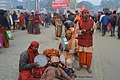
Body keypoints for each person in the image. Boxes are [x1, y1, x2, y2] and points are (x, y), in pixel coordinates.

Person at [77, 9, 96, 73]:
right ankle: (80, 65)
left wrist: (92, 30)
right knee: (81, 54)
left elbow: (94, 30)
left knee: (89, 55)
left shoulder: (92, 22)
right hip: (81, 40)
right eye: (84, 13)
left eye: (87, 13)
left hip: (88, 41)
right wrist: (81, 31)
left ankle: (88, 67)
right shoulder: (79, 22)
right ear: (82, 14)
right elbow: (76, 31)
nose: (86, 14)